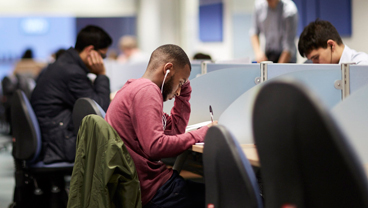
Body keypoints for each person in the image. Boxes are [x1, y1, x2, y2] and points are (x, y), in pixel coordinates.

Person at [105, 44, 217, 208]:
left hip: (146, 186)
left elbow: (174, 132)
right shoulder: (147, 91)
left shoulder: (135, 88)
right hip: (155, 192)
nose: (178, 90)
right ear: (168, 69)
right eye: (180, 81)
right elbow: (155, 147)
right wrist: (202, 134)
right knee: (224, 195)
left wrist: (183, 96)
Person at [31, 25, 112, 164]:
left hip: (52, 133)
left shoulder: (64, 63)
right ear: (90, 51)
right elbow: (101, 110)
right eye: (103, 56)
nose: (103, 61)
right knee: (120, 143)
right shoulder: (72, 72)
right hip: (58, 142)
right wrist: (102, 75)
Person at [298, 19, 368, 65]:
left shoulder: (362, 64)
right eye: (311, 60)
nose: (314, 64)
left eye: (316, 58)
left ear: (331, 45)